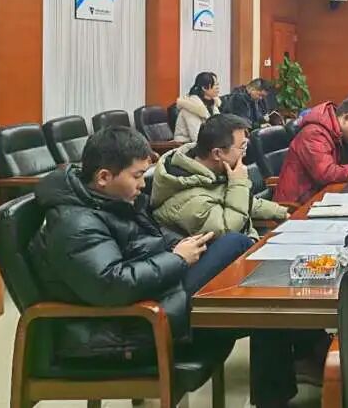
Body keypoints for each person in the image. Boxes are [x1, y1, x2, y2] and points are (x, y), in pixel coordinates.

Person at [28, 126, 251, 360]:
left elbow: (149, 239)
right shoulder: (75, 223)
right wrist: (177, 259)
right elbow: (111, 284)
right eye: (137, 176)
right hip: (135, 325)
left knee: (253, 297)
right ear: (103, 177)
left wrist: (182, 245)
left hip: (156, 295)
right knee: (236, 247)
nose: (143, 184)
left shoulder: (109, 199)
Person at [151, 114, 289, 240]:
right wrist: (238, 183)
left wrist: (282, 213)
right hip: (228, 254)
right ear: (217, 153)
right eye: (242, 147)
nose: (244, 154)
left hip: (246, 246)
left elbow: (242, 202)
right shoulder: (189, 198)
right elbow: (228, 234)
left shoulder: (212, 173)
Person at [274, 96, 348, 204]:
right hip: (297, 204)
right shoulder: (314, 133)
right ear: (346, 118)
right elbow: (325, 174)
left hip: (322, 195)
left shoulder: (343, 135)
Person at [175, 71, 221, 142]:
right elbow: (197, 137)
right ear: (204, 88)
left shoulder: (212, 104)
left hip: (207, 144)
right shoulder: (191, 106)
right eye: (215, 85)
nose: (218, 88)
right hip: (187, 146)